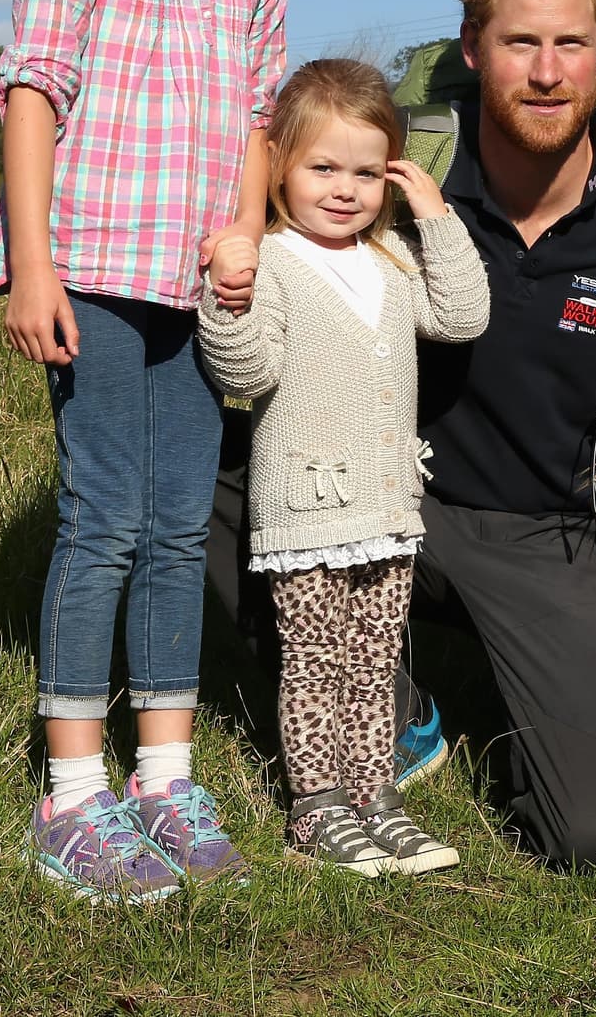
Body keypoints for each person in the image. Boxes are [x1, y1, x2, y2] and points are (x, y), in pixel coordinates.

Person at [0, 0, 288, 902]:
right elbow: (33, 86)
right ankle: (71, 796)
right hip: (95, 264)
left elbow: (260, 116)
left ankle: (165, 780)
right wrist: (35, 261)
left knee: (175, 527)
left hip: (197, 279)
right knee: (104, 516)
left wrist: (247, 227)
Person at [399, 0, 596, 866]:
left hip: (559, 542)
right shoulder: (402, 181)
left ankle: (529, 709)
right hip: (402, 504)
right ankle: (388, 702)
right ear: (474, 49)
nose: (549, 71)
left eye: (572, 43)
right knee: (200, 482)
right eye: (521, 42)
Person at [197, 60, 488, 875]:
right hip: (308, 511)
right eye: (322, 167)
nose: (344, 188)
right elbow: (245, 376)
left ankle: (377, 799)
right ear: (278, 167)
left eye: (367, 171)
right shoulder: (275, 261)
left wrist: (434, 214)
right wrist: (227, 296)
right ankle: (317, 808)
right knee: (314, 665)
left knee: (375, 662)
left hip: (389, 507)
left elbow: (463, 315)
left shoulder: (392, 256)